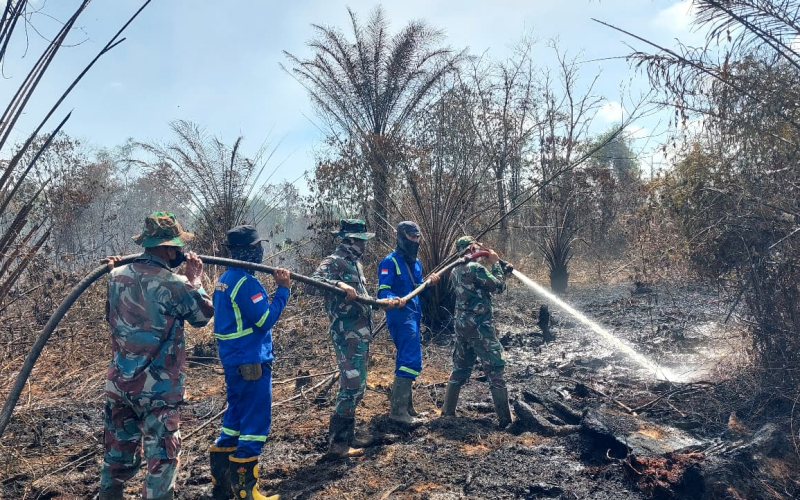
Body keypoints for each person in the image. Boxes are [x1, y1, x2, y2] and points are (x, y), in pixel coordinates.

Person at [100, 212, 214, 500]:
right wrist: (195, 280)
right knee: (161, 461)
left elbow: (110, 316)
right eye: (176, 247)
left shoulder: (115, 277)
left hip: (119, 386)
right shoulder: (174, 283)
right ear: (166, 247)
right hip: (158, 391)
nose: (179, 252)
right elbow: (202, 316)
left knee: (117, 457)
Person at [209, 225, 291, 500]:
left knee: (234, 419)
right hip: (251, 363)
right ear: (249, 251)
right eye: (257, 247)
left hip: (233, 363)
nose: (260, 251)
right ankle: (246, 491)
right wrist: (282, 292)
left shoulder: (223, 280)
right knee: (255, 424)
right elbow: (264, 319)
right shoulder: (246, 283)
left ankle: (222, 484)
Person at [308, 219, 392, 458]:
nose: (364, 246)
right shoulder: (333, 262)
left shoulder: (356, 264)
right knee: (351, 385)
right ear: (349, 241)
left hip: (361, 334)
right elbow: (312, 285)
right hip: (346, 334)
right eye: (361, 241)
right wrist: (339, 284)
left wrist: (379, 304)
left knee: (358, 385)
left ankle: (348, 436)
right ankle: (337, 444)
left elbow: (361, 297)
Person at [440, 236, 514, 429]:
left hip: (462, 327)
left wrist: (503, 271)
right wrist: (496, 264)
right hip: (480, 328)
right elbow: (497, 286)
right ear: (471, 248)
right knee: (495, 368)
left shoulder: (455, 270)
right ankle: (505, 421)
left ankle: (447, 412)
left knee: (460, 368)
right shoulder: (475, 268)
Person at [377, 221, 439, 425]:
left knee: (407, 358)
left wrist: (429, 283)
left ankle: (407, 408)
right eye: (411, 238)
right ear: (402, 237)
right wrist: (394, 298)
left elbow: (417, 287)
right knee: (411, 360)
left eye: (417, 238)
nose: (415, 242)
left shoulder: (416, 262)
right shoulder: (389, 262)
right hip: (400, 317)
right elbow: (383, 291)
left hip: (414, 315)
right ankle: (398, 411)